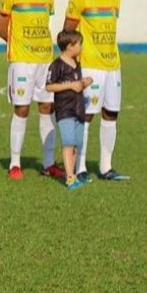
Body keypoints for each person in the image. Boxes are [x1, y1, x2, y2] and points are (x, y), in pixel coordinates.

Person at [63, 0, 129, 182]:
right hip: (90, 66)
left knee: (111, 113)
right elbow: (68, 32)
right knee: (87, 115)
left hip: (113, 65)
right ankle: (80, 167)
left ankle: (106, 167)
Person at [0, 0, 63, 180]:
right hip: (22, 62)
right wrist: (22, 46)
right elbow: (2, 28)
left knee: (47, 108)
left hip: (45, 60)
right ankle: (15, 163)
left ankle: (48, 163)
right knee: (22, 109)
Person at [45, 30, 94, 191]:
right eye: (79, 44)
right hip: (64, 110)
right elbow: (49, 86)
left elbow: (76, 84)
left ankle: (71, 174)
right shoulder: (57, 65)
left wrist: (84, 82)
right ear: (69, 46)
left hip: (78, 109)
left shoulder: (76, 64)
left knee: (76, 144)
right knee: (68, 143)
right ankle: (70, 178)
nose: (81, 47)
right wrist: (71, 86)